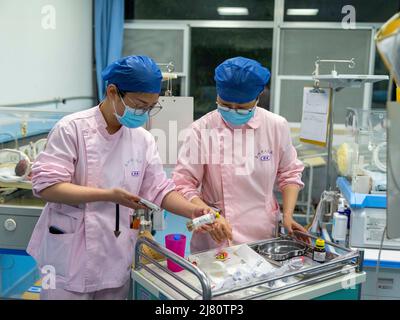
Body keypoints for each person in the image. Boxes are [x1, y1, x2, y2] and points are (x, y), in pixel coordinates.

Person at [27, 55, 230, 300]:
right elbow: (47, 186)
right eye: (139, 104)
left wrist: (192, 210)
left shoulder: (141, 139)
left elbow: (159, 189)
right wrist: (109, 195)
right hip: (68, 256)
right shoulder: (72, 129)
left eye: (150, 106)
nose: (144, 112)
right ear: (113, 92)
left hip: (115, 254)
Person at [173, 56, 308, 254]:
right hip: (216, 232)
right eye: (226, 105)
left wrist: (288, 215)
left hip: (262, 233)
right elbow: (183, 183)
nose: (234, 111)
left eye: (242, 107)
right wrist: (207, 213)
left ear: (259, 96)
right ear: (217, 95)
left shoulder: (275, 126)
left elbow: (290, 173)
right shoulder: (201, 129)